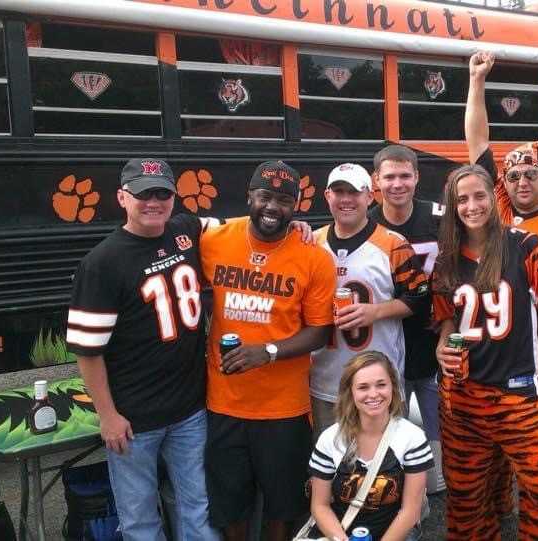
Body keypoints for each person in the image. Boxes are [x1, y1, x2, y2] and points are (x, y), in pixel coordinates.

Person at [66, 158, 220, 541]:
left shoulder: (184, 229)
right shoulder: (101, 263)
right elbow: (88, 351)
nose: (154, 202)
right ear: (122, 197)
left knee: (199, 508)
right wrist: (108, 416)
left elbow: (237, 227)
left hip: (190, 410)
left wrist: (295, 226)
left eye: (163, 193)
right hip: (134, 420)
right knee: (138, 520)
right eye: (142, 193)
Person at [432, 164, 538, 540]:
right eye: (461, 199)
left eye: (479, 196)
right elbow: (448, 320)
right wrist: (441, 347)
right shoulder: (446, 257)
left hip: (516, 393)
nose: (471, 206)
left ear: (494, 199)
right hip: (462, 396)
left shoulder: (526, 245)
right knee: (466, 498)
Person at [200, 160, 337, 541]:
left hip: (284, 406)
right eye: (264, 197)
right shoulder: (215, 239)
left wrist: (270, 351)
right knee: (228, 502)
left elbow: (320, 331)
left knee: (285, 502)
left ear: (297, 206)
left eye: (284, 200)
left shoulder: (314, 257)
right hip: (224, 401)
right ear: (249, 197)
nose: (272, 207)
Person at [465, 52, 538, 516]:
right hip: (499, 356)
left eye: (531, 173)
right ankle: (502, 510)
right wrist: (476, 81)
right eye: (513, 174)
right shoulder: (499, 211)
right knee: (498, 451)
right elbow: (477, 140)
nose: (521, 179)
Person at [311, 163, 429, 437]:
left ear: (369, 196)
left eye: (354, 192)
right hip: (325, 379)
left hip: (379, 383)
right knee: (332, 462)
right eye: (338, 192)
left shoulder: (392, 243)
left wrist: (376, 312)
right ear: (327, 195)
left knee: (383, 467)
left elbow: (420, 299)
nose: (346, 200)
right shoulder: (311, 244)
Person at [368, 144, 446, 493]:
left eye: (404, 175)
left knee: (439, 420)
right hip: (388, 337)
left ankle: (439, 480)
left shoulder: (440, 218)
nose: (397, 184)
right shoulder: (367, 223)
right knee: (390, 416)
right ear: (375, 181)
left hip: (434, 336)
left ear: (417, 177)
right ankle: (395, 483)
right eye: (389, 176)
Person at [308, 351, 433, 541]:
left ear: (393, 386)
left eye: (381, 385)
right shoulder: (330, 439)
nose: (373, 394)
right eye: (363, 387)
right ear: (350, 392)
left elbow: (410, 512)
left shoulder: (412, 438)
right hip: (339, 533)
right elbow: (320, 506)